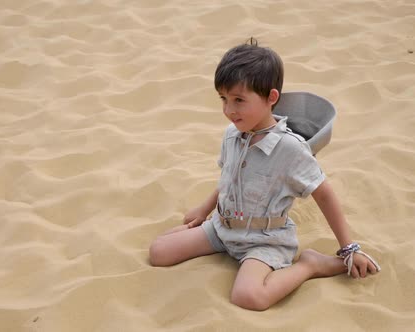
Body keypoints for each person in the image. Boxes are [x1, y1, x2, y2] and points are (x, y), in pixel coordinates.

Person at [149, 39, 381, 311]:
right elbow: (229, 177)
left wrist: (349, 247)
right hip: (222, 228)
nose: (229, 110)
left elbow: (325, 194)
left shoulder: (290, 148)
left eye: (239, 100)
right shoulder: (232, 134)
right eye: (224, 99)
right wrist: (204, 210)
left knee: (248, 297)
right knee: (158, 252)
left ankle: (310, 265)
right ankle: (215, 239)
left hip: (264, 240)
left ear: (271, 98)